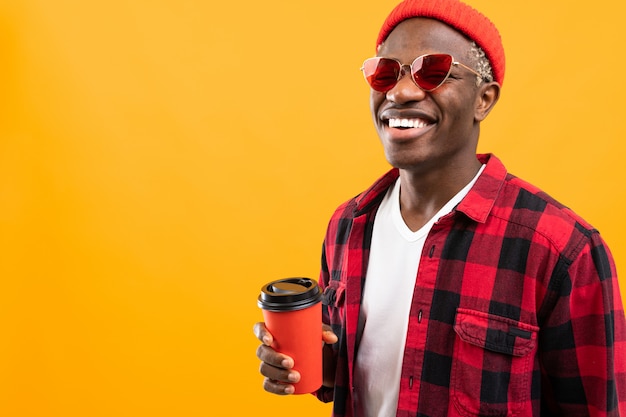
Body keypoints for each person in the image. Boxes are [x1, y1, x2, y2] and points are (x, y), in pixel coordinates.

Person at [254, 0, 626, 415]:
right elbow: (365, 376)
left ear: (483, 99)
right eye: (385, 73)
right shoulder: (347, 225)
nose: (400, 91)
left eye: (432, 72)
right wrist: (320, 368)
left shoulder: (562, 250)